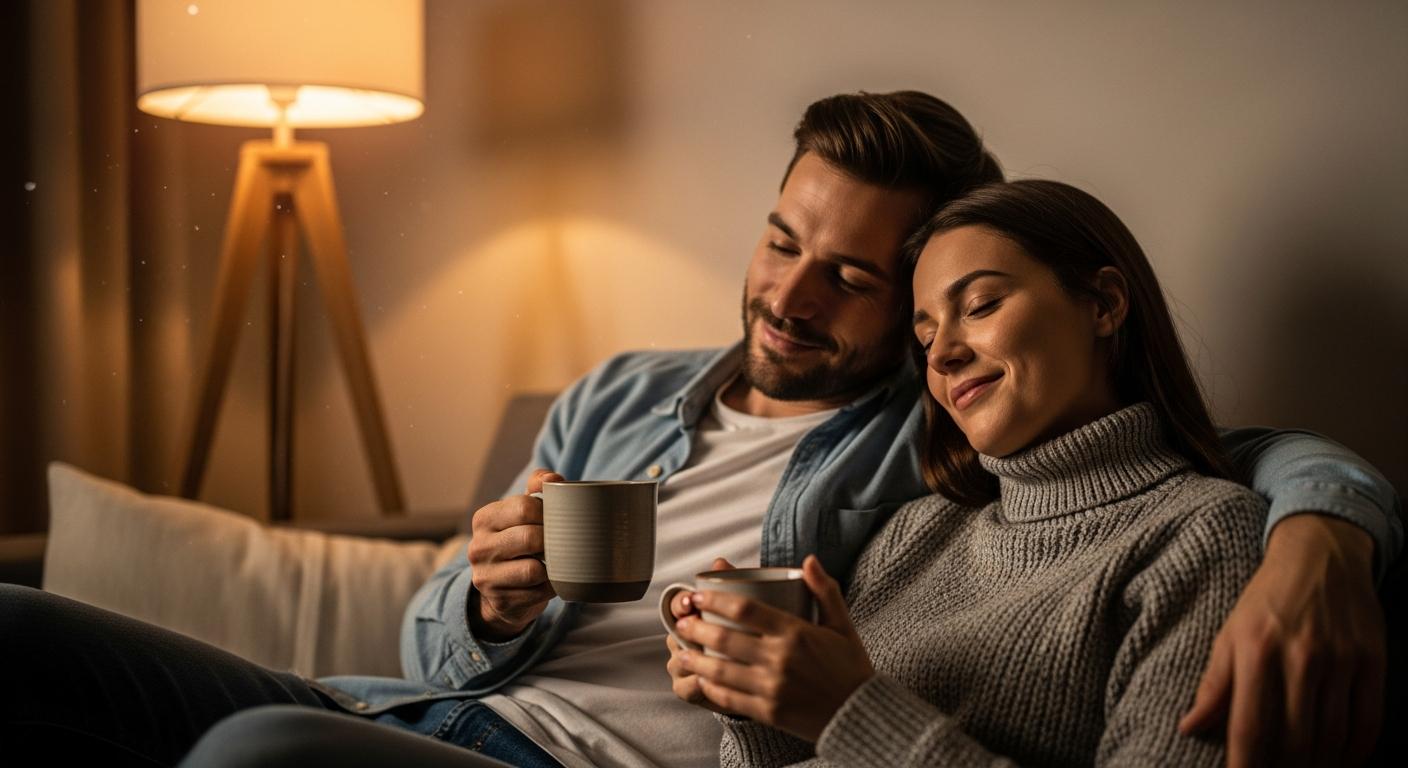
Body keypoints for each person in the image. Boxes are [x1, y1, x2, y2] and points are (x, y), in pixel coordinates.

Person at [0, 92, 1398, 768]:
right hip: (413, 711)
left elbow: (1193, 461)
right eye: (782, 241)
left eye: (855, 279)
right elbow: (423, 645)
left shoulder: (930, 441)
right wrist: (483, 602)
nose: (791, 296)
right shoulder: (620, 395)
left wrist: (1326, 534)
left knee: (257, 757)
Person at [662, 178, 1352, 766]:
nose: (944, 354)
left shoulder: (1201, 540)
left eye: (981, 306)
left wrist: (849, 710)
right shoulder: (917, 532)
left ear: (1104, 304)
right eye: (926, 336)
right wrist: (755, 700)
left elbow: (853, 729)